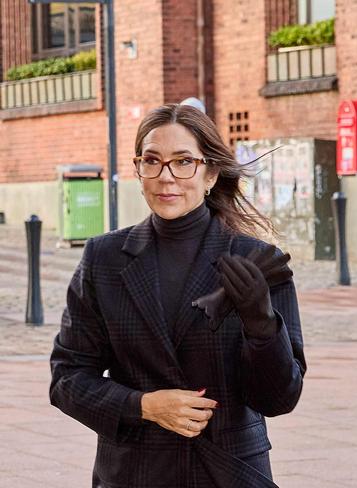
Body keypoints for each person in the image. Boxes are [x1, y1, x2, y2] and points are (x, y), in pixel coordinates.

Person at [50, 104, 306, 488]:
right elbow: (66, 380)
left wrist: (262, 326)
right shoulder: (103, 259)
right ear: (138, 171)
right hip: (133, 473)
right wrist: (144, 407)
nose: (166, 176)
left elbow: (279, 399)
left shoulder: (257, 260)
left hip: (229, 472)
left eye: (183, 161)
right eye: (151, 161)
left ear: (211, 174)